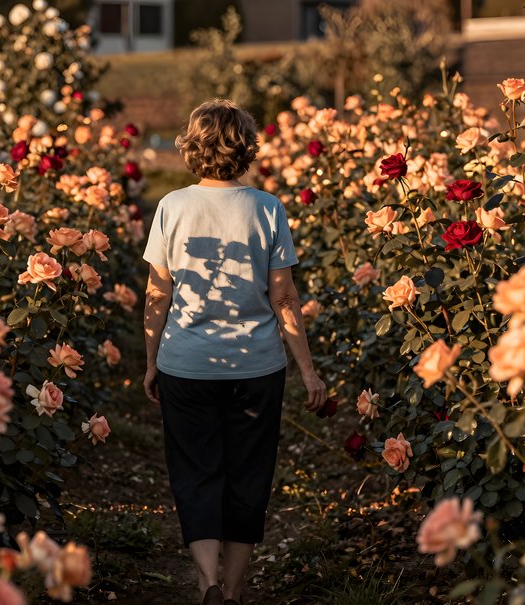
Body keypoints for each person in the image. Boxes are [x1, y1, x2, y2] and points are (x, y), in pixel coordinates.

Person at [142, 99, 327, 605]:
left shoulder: (172, 207)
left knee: (195, 469)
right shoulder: (267, 208)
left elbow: (158, 295)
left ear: (192, 148)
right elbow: (284, 296)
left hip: (186, 364)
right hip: (256, 366)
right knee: (248, 473)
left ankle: (208, 583)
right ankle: (237, 588)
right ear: (246, 149)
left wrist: (152, 359)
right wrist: (307, 369)